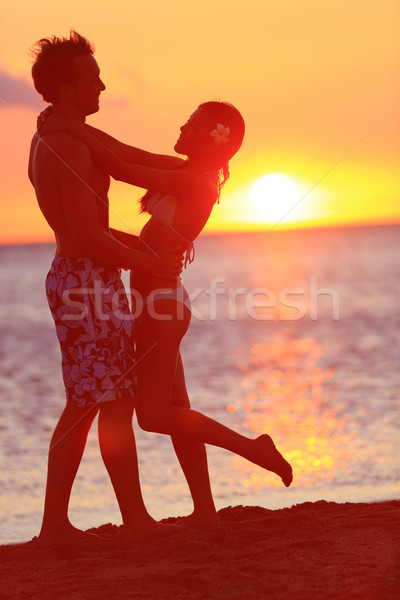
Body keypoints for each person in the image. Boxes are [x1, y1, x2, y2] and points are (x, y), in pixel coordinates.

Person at [41, 99, 293, 528]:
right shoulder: (187, 172)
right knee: (178, 409)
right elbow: (123, 152)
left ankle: (255, 449)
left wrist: (71, 130)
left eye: (192, 125)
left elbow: (123, 169)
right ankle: (206, 512)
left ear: (216, 142)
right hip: (155, 301)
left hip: (161, 305)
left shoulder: (198, 182)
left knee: (154, 416)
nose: (182, 126)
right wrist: (68, 124)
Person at [28, 30, 185, 543]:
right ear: (67, 90)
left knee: (115, 402)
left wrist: (193, 172)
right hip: (82, 285)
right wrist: (148, 259)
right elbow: (88, 238)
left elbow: (129, 157)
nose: (102, 84)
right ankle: (55, 526)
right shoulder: (63, 144)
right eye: (91, 78)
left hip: (94, 281)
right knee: (84, 405)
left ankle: (133, 517)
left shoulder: (72, 132)